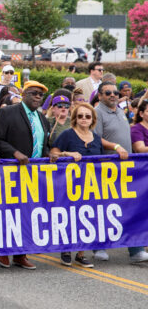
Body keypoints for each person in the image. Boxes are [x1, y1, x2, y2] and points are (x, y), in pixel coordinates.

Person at [51, 101, 138, 266]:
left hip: (92, 186)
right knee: (71, 217)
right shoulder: (67, 134)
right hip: (69, 185)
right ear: (75, 118)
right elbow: (53, 154)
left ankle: (81, 253)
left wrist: (119, 147)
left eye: (87, 116)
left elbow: (110, 144)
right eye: (80, 116)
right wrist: (67, 153)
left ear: (92, 120)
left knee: (88, 217)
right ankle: (67, 249)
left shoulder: (95, 137)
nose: (84, 119)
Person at [0, 80, 51, 270]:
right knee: (9, 213)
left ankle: (20, 254)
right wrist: (14, 153)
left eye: (40, 95)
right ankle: (3, 252)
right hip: (12, 172)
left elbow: (43, 145)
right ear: (24, 94)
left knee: (28, 214)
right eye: (33, 93)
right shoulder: (7, 112)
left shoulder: (43, 119)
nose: (37, 97)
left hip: (34, 174)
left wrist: (51, 154)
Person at [90, 82, 148, 263]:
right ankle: (100, 246)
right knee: (106, 208)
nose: (113, 95)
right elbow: (94, 138)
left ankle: (136, 249)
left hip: (126, 168)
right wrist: (115, 146)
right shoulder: (97, 113)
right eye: (108, 92)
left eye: (115, 92)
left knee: (131, 207)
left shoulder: (120, 113)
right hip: (107, 167)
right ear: (100, 96)